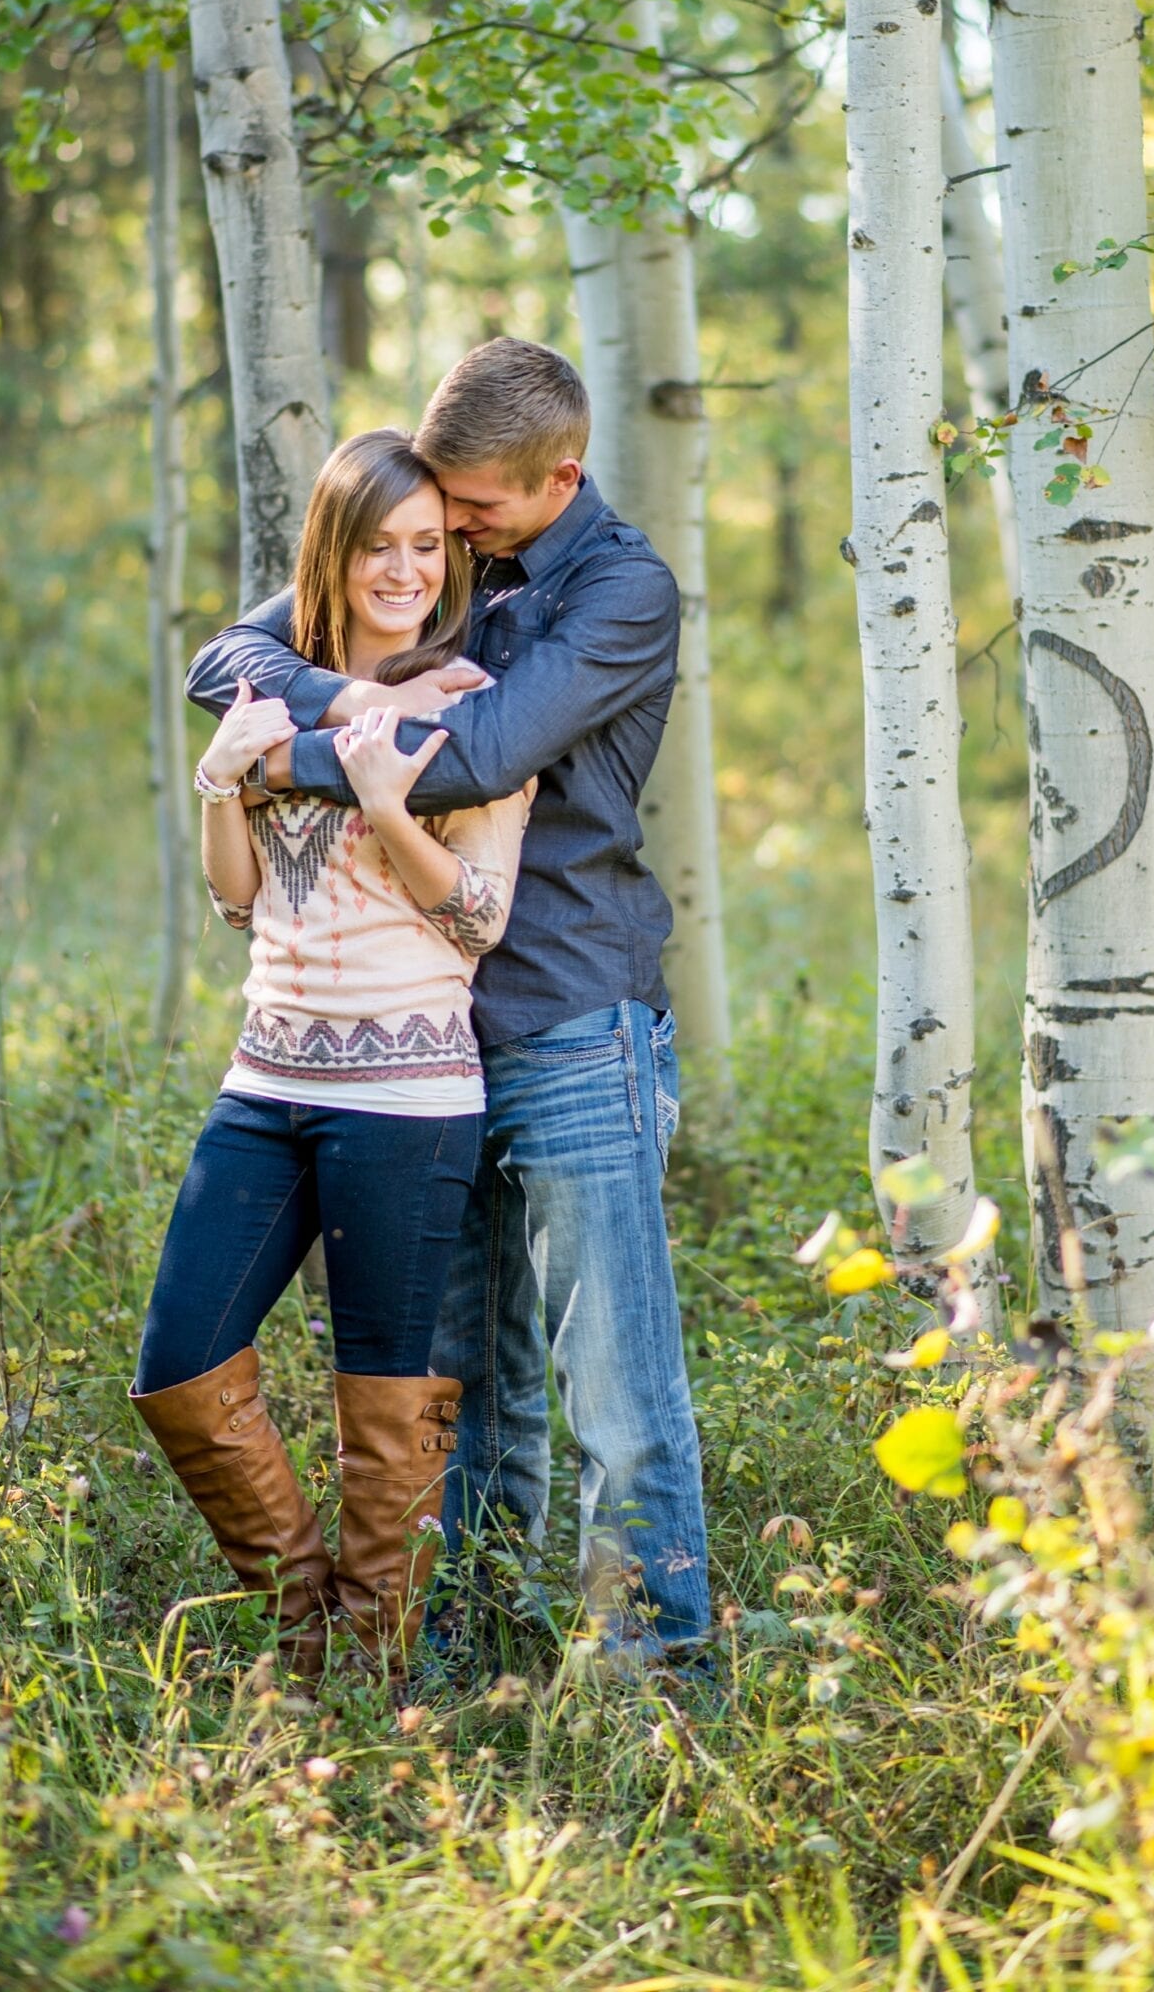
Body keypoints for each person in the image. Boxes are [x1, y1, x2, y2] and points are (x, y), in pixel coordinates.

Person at [186, 340, 712, 1662]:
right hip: (430, 1056)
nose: (449, 537)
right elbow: (225, 655)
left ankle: (655, 1683)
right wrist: (352, 700)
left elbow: (471, 753)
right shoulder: (461, 567)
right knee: (463, 1387)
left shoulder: (623, 594)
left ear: (557, 479)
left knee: (614, 1392)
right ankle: (476, 1643)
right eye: (439, 513)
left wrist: (287, 755)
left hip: (571, 1021)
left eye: (470, 512)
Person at [131, 429, 532, 1678]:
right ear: (333, 552)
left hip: (408, 1097)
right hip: (266, 1077)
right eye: (379, 547)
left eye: (426, 545)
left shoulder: (472, 699)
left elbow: (479, 917)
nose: (404, 570)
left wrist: (381, 804)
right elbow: (242, 903)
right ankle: (306, 1626)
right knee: (180, 1363)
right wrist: (219, 790)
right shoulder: (276, 687)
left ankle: (374, 1672)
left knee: (386, 1405)